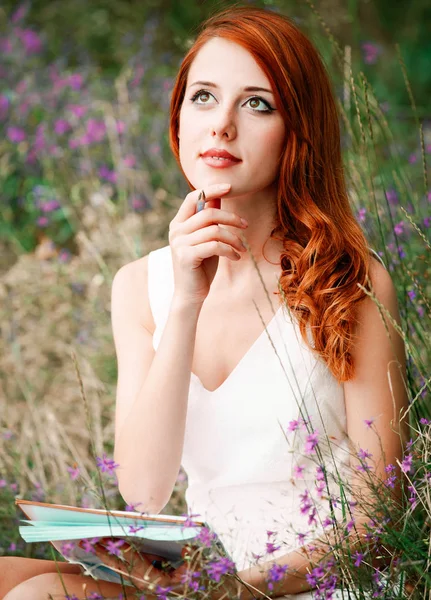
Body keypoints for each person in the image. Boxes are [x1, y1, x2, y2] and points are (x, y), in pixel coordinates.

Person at [0, 5, 409, 600]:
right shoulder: (138, 284)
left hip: (309, 583)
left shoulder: (351, 279)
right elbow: (142, 491)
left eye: (257, 104)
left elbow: (379, 519)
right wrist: (187, 298)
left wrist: (238, 587)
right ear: (179, 118)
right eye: (204, 97)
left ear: (298, 131)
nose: (221, 125)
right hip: (202, 582)